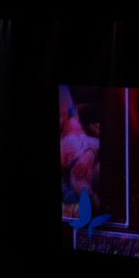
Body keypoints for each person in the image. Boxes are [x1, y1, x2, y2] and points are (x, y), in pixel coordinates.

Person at [60, 85, 101, 217]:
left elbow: (95, 142)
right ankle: (96, 204)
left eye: (64, 115)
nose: (62, 120)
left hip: (92, 163)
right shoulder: (63, 141)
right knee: (79, 185)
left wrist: (90, 154)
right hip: (75, 174)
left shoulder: (76, 130)